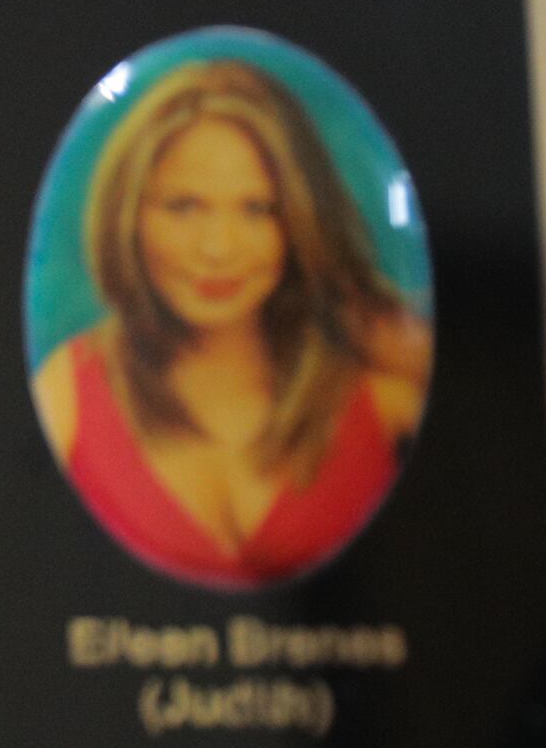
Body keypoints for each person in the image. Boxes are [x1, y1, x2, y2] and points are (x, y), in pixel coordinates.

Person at [31, 59, 428, 588]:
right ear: (128, 216)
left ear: (300, 221)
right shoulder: (67, 396)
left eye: (258, 209)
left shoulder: (386, 400)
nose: (218, 248)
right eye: (184, 206)